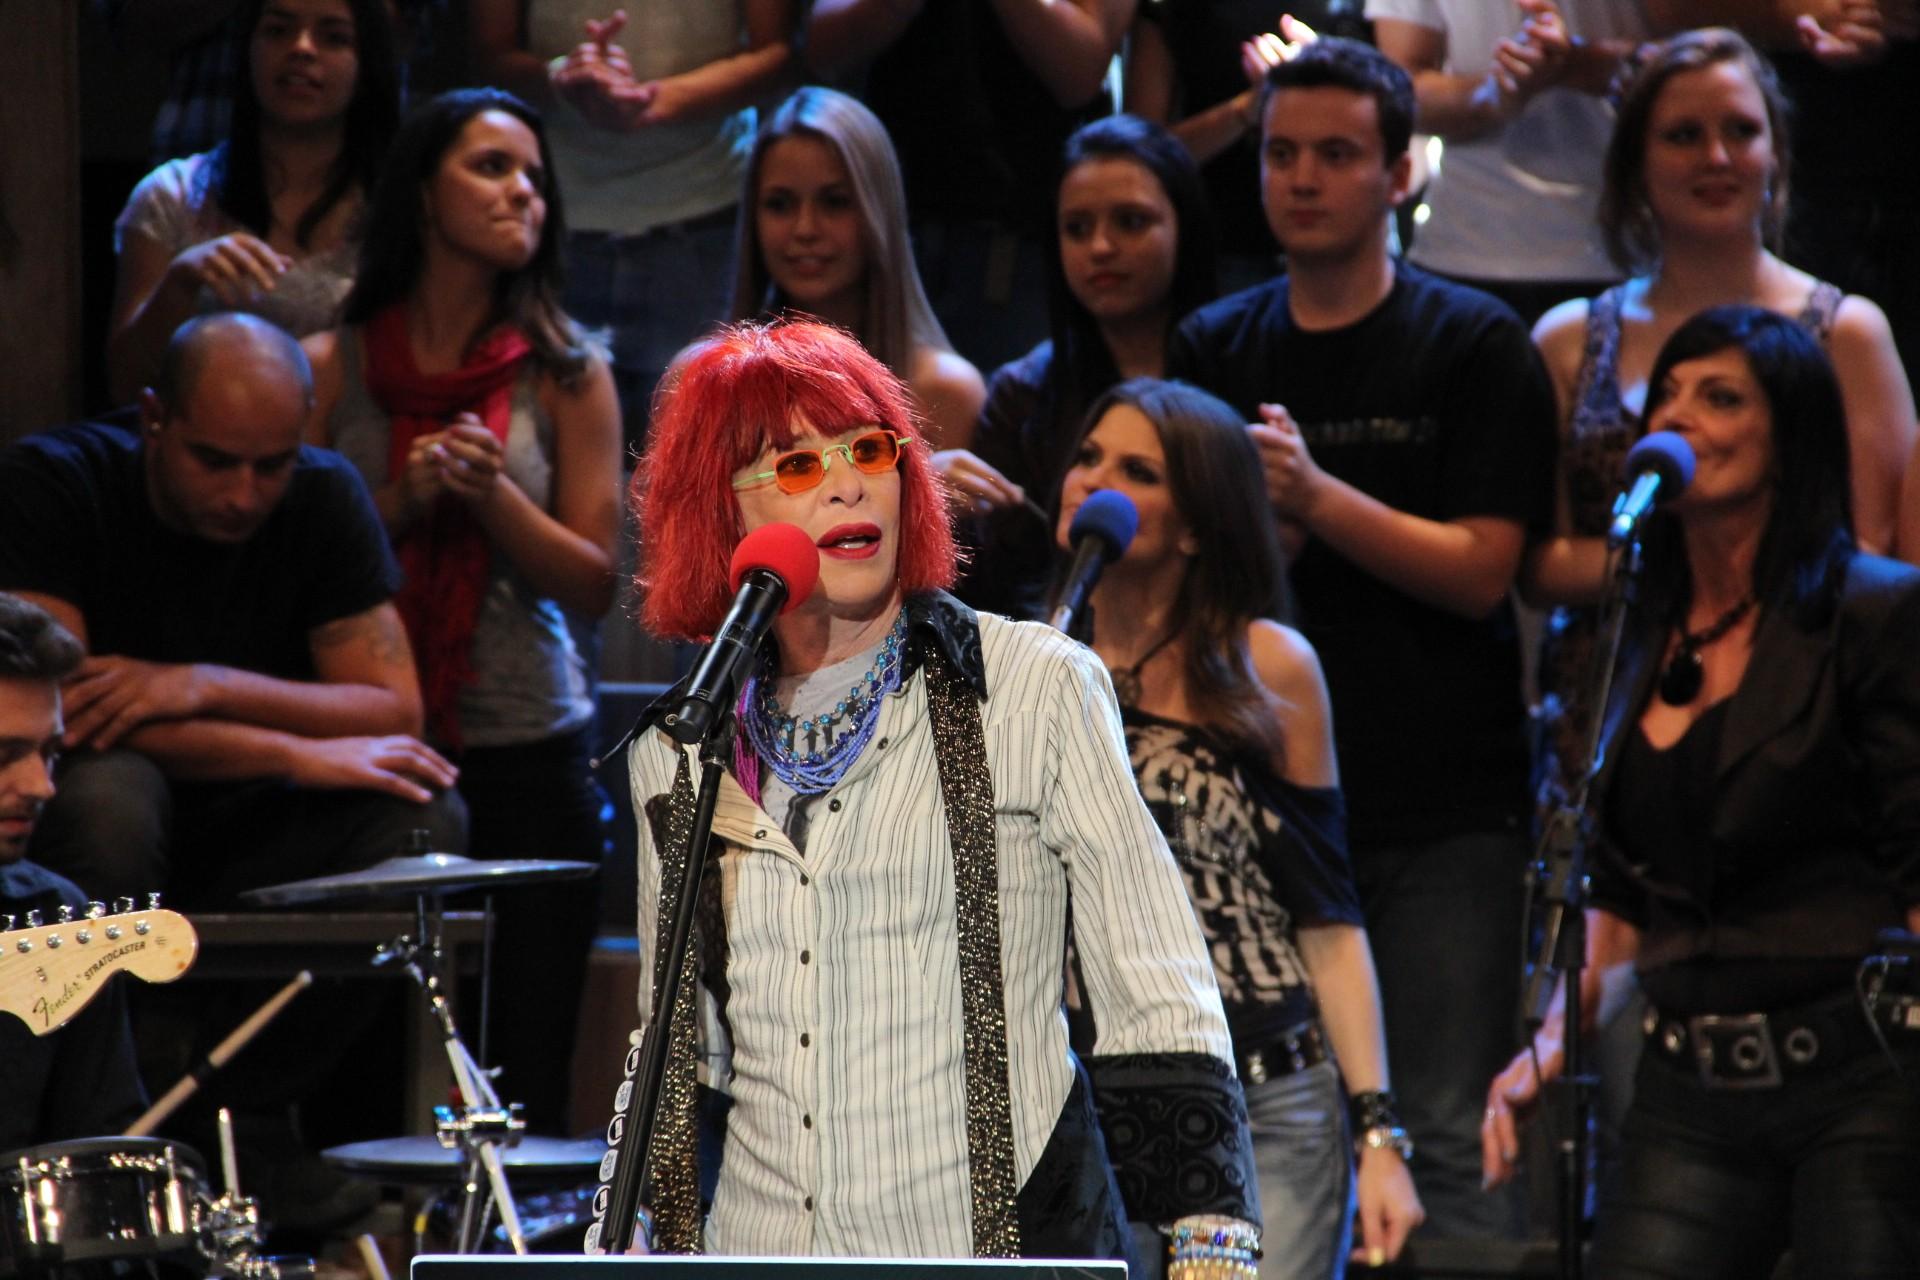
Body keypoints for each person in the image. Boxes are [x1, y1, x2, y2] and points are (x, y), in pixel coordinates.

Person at [623, 319, 1258, 1268]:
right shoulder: (676, 749)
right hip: (757, 1246)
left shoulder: (1033, 686)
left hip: (987, 1248)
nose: (848, 484)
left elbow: (1155, 984)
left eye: (870, 450)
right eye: (796, 465)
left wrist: (1210, 1241)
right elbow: (684, 1053)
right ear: (722, 515)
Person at [1167, 38, 1558, 1241]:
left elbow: (1484, 571)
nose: (1301, 178)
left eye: (1337, 154)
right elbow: (1191, 573)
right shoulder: (1214, 346)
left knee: (1443, 1126)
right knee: (1273, 1124)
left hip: (1443, 804)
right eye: (1282, 153)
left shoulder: (1474, 341)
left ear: (1400, 173)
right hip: (1261, 807)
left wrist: (1316, 497)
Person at [1482, 304, 1920, 1278]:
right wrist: (1550, 1041)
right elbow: (1621, 891)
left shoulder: (1873, 611)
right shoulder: (1638, 632)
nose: (1677, 416)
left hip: (1862, 1073)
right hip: (1691, 1084)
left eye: (1720, 398)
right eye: (1668, 394)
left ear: (1789, 435)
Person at [303, 85, 621, 1134]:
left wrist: (493, 498)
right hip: (375, 740)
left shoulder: (568, 370)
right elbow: (294, 563)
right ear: (422, 193)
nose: (522, 190)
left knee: (522, 1059)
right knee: (360, 1062)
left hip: (528, 740)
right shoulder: (336, 361)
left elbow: (597, 581)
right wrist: (402, 499)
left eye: (535, 175)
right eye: (491, 166)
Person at [1055, 378, 1425, 1275]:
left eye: (1138, 471)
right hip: (1090, 1106)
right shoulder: (1033, 656)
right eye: (1088, 457)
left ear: (1195, 525)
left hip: (1261, 1104)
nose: (1094, 481)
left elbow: (1327, 919)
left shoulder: (1266, 665)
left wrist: (1379, 1134)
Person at [1521, 26, 1918, 825]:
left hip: (1793, 719)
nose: (1716, 157)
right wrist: (1688, 555)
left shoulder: (1846, 331)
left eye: (1741, 130)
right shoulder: (1569, 337)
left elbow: (1876, 547)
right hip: (1605, 708)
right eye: (1683, 135)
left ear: (1777, 154)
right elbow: (1539, 562)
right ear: (1635, 162)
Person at [0, 312, 464, 906]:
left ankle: (331, 975)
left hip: (264, 808)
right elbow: (67, 711)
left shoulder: (325, 490)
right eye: (214, 462)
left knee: (421, 806)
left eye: (272, 466)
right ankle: (107, 970)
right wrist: (293, 753)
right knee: (112, 798)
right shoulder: (55, 482)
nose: (243, 496)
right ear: (154, 417)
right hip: (116, 787)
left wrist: (202, 686)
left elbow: (392, 711)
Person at [470, 0, 799, 449]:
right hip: (550, 217)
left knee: (699, 448)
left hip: (706, 212)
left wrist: (654, 100)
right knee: (551, 450)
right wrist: (561, 77)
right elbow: (488, 53)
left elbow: (780, 51)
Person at [950, 114, 1218, 620]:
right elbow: (985, 585)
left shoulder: (1241, 360)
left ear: (1184, 225)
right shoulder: (1024, 392)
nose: (1100, 247)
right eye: (1076, 228)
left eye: (1130, 222)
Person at [803, 0, 1133, 373]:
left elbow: (1081, 72)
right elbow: (817, 49)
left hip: (1019, 243)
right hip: (886, 228)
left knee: (1019, 400)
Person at [108, 0, 401, 404]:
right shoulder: (171, 195)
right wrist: (180, 284)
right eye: (278, 31)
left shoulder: (403, 205)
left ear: (368, 59)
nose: (301, 48)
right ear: (247, 48)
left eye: (333, 37)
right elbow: (125, 387)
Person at [728, 86, 984, 451]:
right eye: (780, 204)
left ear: (879, 212)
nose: (805, 229)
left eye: (835, 202)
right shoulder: (702, 378)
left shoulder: (944, 391)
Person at [1367, 0, 1646, 326]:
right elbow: (1401, 92)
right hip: (1464, 247)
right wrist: (1495, 94)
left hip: (1632, 250)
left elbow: (1694, 50)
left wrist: (1578, 63)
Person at [0, 593, 147, 1153]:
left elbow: (99, 1160)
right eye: (4, 756)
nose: (41, 786)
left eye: (50, 753)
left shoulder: (58, 919)